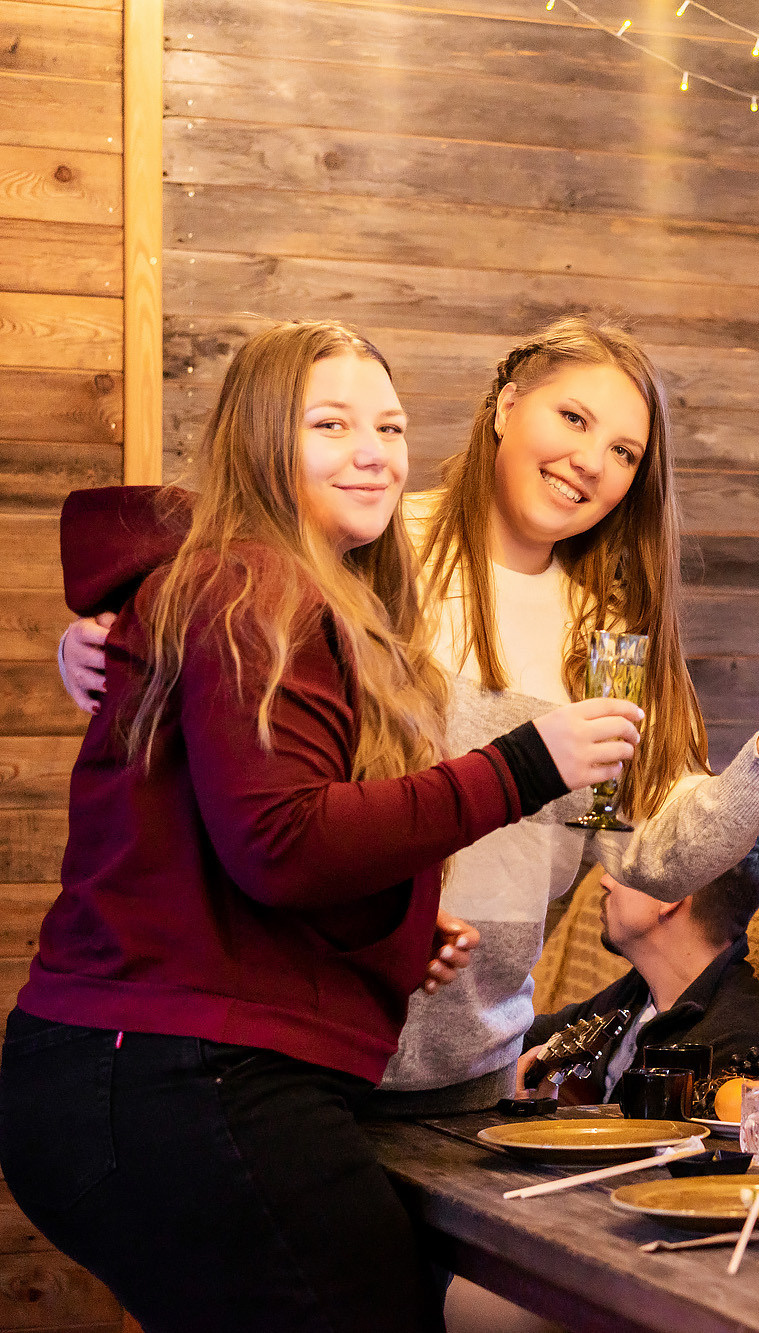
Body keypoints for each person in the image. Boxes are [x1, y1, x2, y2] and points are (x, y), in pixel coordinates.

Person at [0, 321, 641, 1331]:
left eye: (389, 426)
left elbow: (229, 830)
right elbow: (284, 844)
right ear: (262, 437)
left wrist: (393, 922)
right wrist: (526, 762)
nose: (373, 452)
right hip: (180, 1073)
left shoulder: (273, 586)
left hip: (130, 1067)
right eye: (331, 424)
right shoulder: (253, 585)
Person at [55, 317, 759, 1115]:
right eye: (573, 418)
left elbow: (649, 852)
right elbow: (230, 625)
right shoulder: (371, 540)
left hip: (475, 1066)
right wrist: (102, 644)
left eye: (625, 452)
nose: (592, 462)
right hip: (306, 1045)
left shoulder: (610, 637)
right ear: (506, 406)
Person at [518, 839, 759, 1105]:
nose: (605, 881)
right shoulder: (638, 993)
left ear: (669, 894)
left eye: (624, 869)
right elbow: (522, 1039)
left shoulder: (736, 1043)